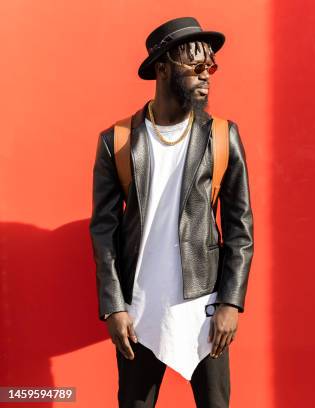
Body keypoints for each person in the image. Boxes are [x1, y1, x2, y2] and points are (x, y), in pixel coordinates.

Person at [88, 16, 254, 408]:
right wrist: (114, 306)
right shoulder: (118, 141)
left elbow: (240, 229)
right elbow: (104, 233)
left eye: (209, 66)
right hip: (139, 310)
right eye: (195, 66)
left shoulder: (221, 136)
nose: (206, 75)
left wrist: (231, 302)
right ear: (162, 69)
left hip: (205, 307)